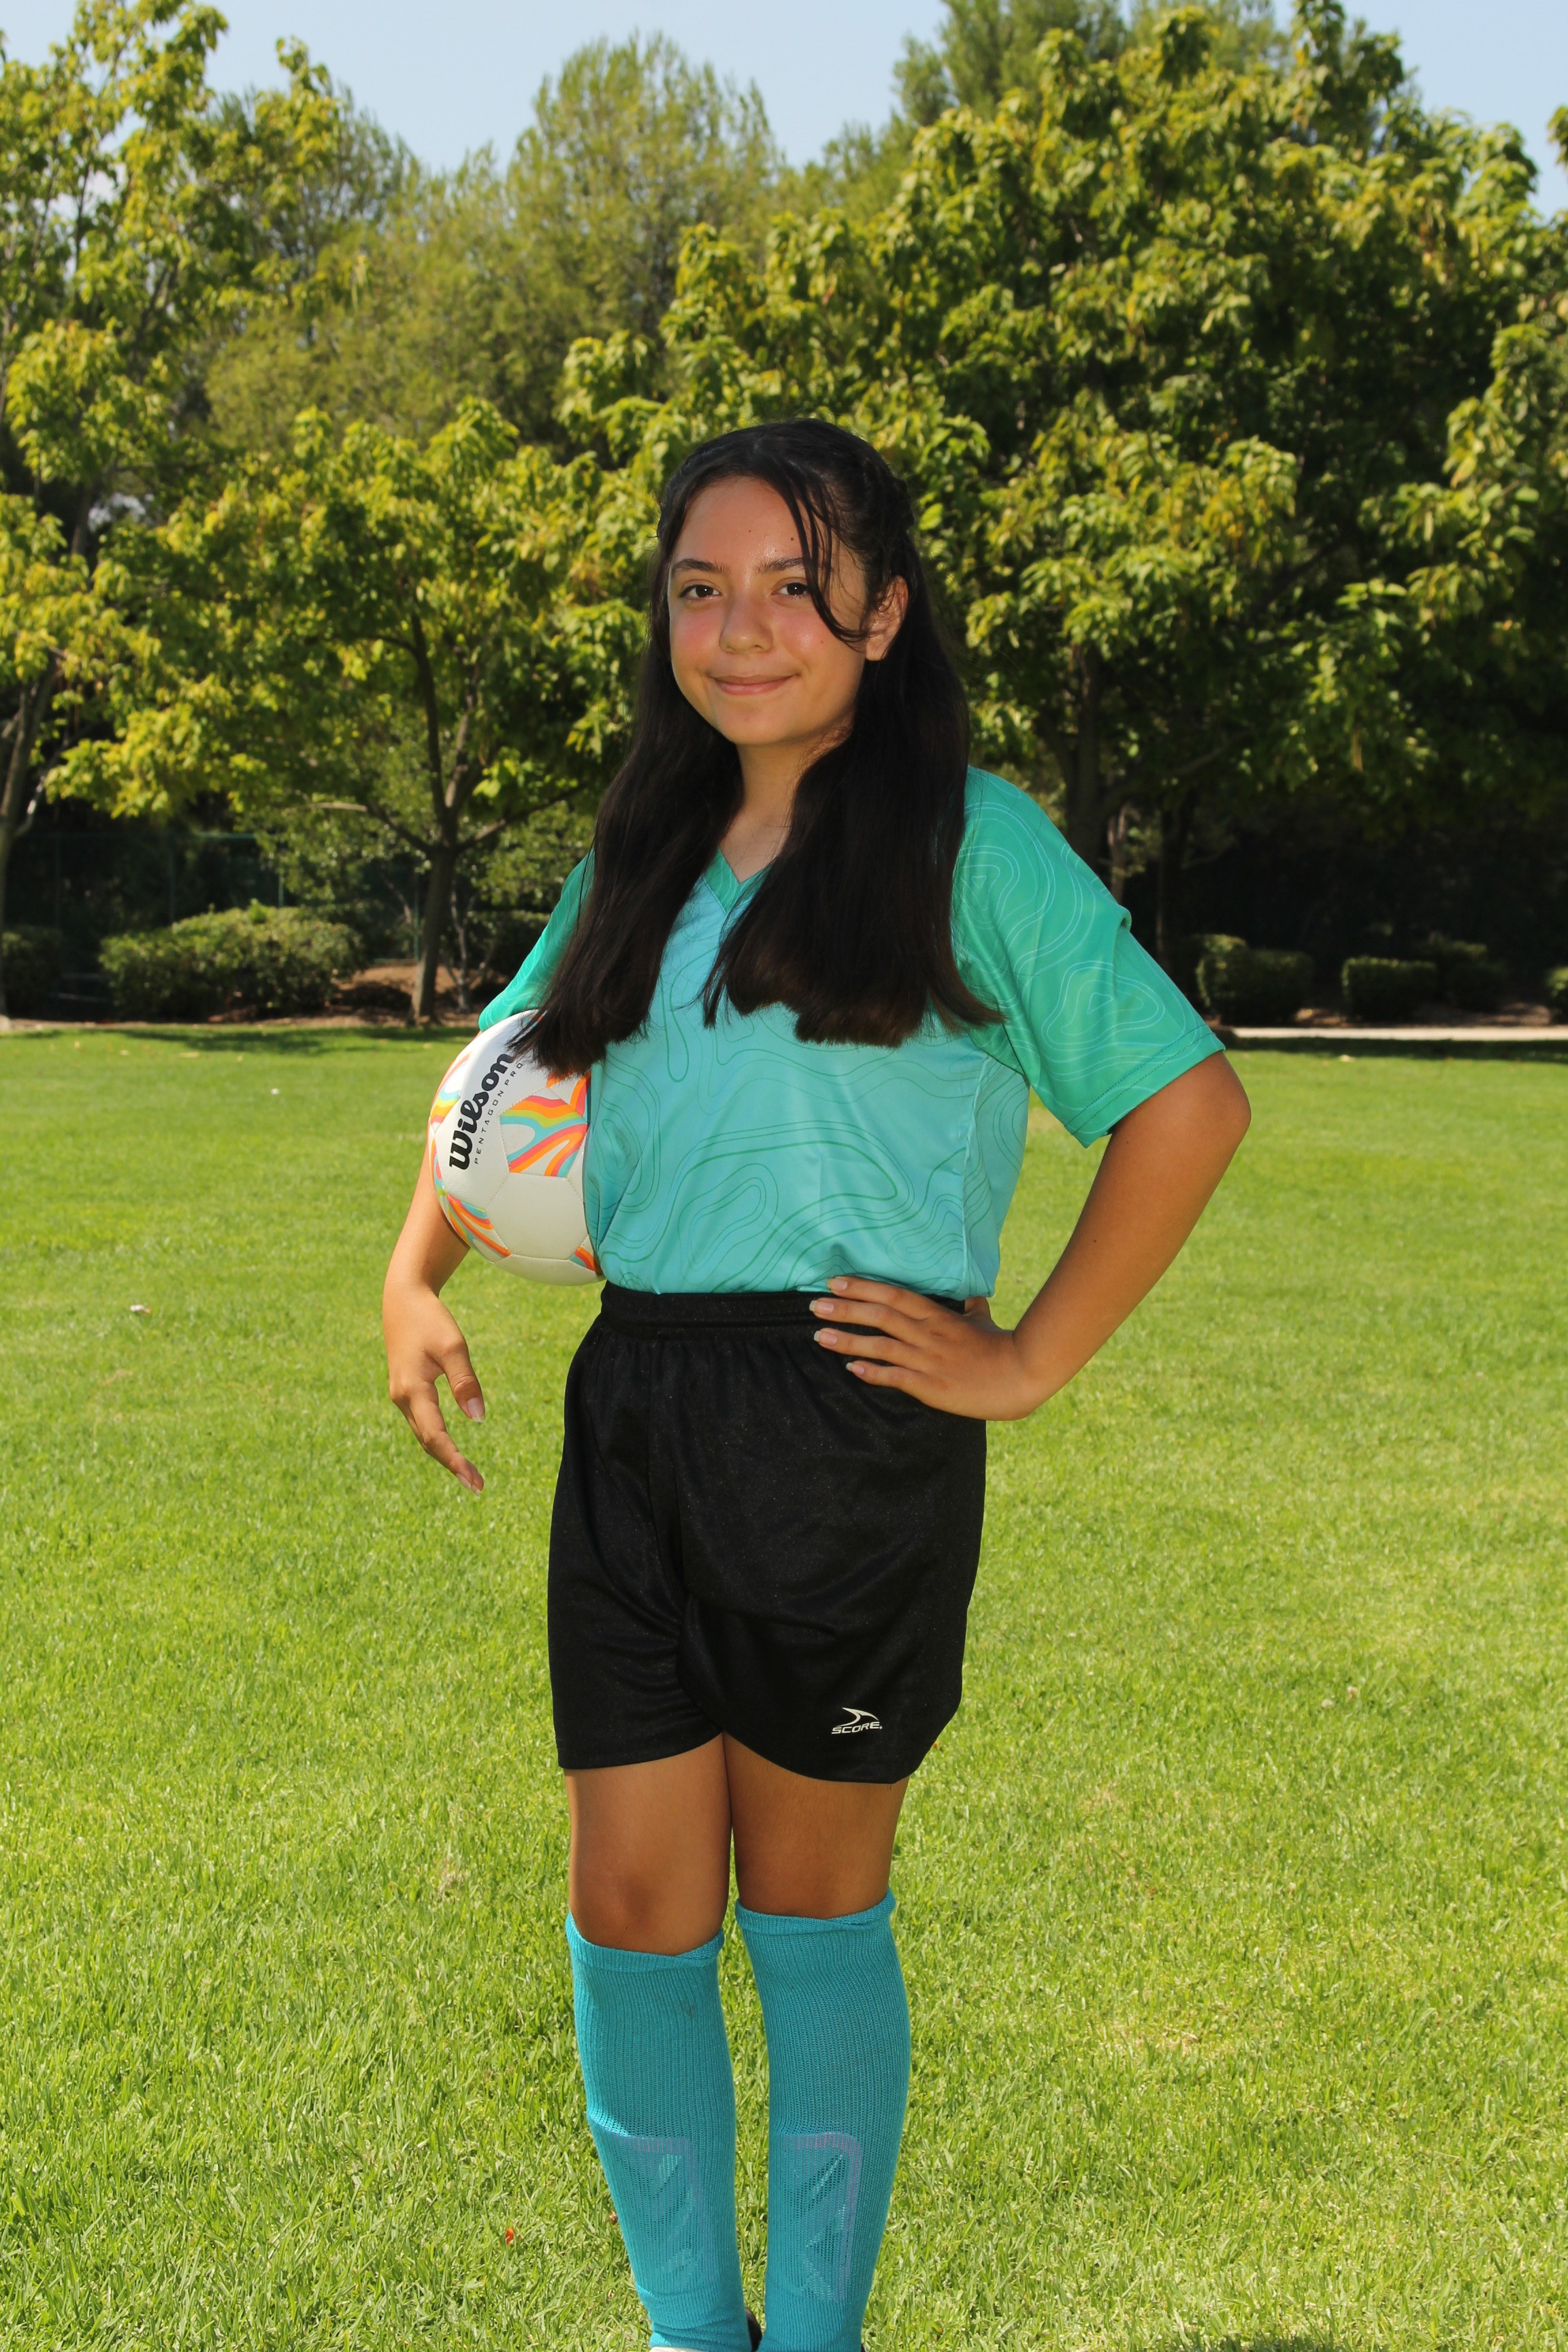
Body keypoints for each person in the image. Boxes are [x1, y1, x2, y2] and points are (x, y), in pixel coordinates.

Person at [381, 419, 1250, 2352]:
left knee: (810, 1906)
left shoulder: (967, 843)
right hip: (637, 1411)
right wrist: (412, 1273)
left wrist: (1024, 1357)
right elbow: (508, 1075)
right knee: (631, 1907)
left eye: (794, 584)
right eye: (701, 587)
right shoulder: (642, 841)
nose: (742, 626)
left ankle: (820, 2335)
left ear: (886, 612)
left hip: (850, 1424)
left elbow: (1189, 1107)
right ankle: (697, 2336)